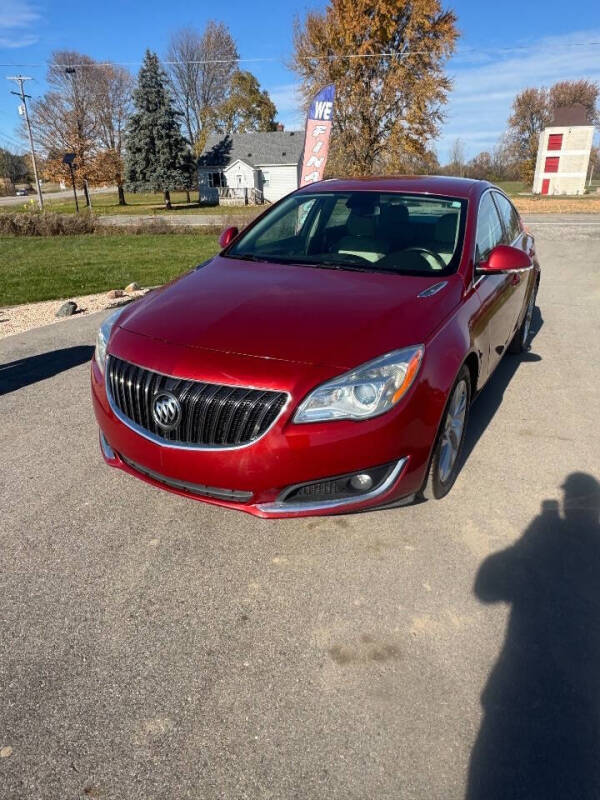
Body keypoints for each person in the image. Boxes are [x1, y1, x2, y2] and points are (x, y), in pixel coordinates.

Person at [466, 473, 600, 800]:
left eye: (578, 501)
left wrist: (532, 542)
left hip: (518, 708)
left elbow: (488, 584)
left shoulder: (548, 542)